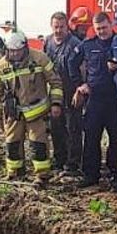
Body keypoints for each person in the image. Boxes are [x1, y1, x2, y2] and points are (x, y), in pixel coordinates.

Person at [0, 31, 64, 183]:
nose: (14, 54)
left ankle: (42, 176)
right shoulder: (2, 66)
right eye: (11, 51)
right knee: (12, 144)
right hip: (14, 114)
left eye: (17, 50)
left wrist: (56, 103)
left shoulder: (39, 58)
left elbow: (55, 82)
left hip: (37, 113)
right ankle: (15, 173)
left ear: (25, 47)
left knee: (38, 145)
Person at [73, 11, 117, 191]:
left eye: (104, 28)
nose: (101, 32)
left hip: (116, 99)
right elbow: (72, 62)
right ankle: (91, 175)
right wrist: (79, 84)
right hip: (95, 99)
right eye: (98, 28)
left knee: (116, 139)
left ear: (111, 26)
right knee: (91, 138)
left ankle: (115, 173)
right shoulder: (88, 45)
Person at [45, 12, 84, 177]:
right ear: (51, 26)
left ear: (67, 27)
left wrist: (80, 91)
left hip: (71, 91)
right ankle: (59, 158)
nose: (58, 30)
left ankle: (73, 162)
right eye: (56, 27)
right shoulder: (47, 42)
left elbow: (82, 70)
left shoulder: (75, 44)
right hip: (55, 92)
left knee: (73, 127)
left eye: (62, 27)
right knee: (56, 127)